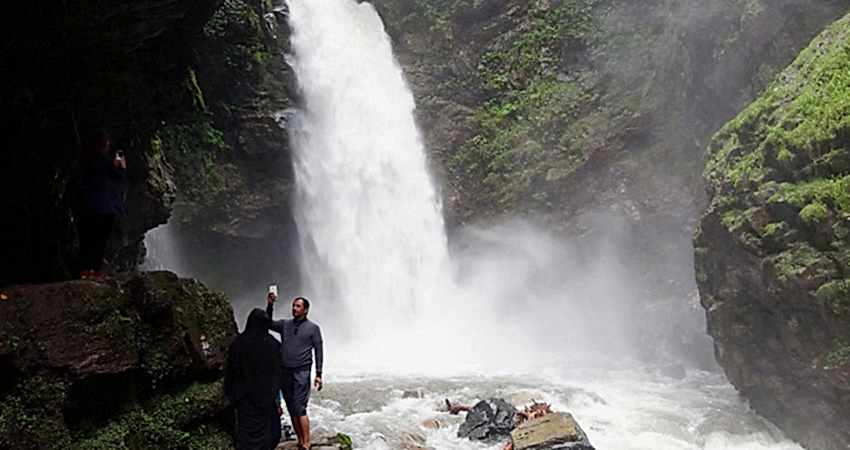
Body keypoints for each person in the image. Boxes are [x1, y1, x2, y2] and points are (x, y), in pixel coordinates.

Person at [266, 294, 324, 450]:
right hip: (285, 371)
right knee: (291, 407)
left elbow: (319, 350)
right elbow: (268, 323)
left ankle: (307, 441)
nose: (294, 309)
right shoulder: (285, 324)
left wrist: (318, 374)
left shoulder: (313, 328)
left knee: (300, 407)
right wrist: (270, 304)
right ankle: (300, 439)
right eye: (293, 305)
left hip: (302, 371)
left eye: (298, 306)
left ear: (306, 310)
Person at [225, 309, 283, 450]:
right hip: (267, 399)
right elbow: (278, 373)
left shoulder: (238, 344)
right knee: (270, 435)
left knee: (247, 436)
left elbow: (231, 371)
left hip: (244, 398)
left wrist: (233, 396)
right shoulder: (273, 345)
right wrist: (277, 398)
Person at [74, 129, 127, 280]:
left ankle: (85, 271)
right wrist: (121, 164)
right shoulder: (105, 162)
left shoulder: (83, 160)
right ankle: (94, 272)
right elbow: (119, 178)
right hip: (105, 208)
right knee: (99, 241)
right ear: (105, 145)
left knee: (87, 239)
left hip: (86, 205)